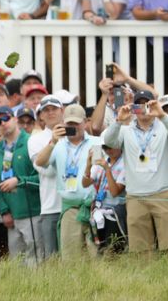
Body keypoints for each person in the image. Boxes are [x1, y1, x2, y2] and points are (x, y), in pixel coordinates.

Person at [102, 89, 168, 254]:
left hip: (162, 193)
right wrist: (118, 121)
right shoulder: (125, 130)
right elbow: (109, 141)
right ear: (133, 108)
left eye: (147, 104)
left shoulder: (164, 127)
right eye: (138, 105)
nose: (143, 108)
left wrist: (162, 114)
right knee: (140, 251)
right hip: (135, 197)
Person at [34, 104, 101, 259]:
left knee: (96, 256)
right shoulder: (57, 145)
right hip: (70, 208)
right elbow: (40, 162)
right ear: (63, 124)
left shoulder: (97, 142)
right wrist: (52, 142)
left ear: (85, 122)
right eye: (69, 123)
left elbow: (100, 169)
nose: (73, 127)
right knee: (70, 258)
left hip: (94, 207)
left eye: (76, 123)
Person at [0, 106, 42, 266]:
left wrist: (18, 180)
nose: (2, 123)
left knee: (36, 263)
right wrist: (4, 211)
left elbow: (43, 178)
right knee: (16, 264)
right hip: (11, 217)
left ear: (15, 119)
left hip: (33, 212)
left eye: (5, 118)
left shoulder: (31, 142)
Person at [26, 96, 64, 258]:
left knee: (77, 259)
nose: (50, 113)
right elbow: (47, 171)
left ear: (62, 111)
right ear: (40, 115)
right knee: (52, 259)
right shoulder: (35, 140)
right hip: (51, 207)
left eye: (54, 109)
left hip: (76, 204)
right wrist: (54, 142)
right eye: (46, 110)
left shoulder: (76, 134)